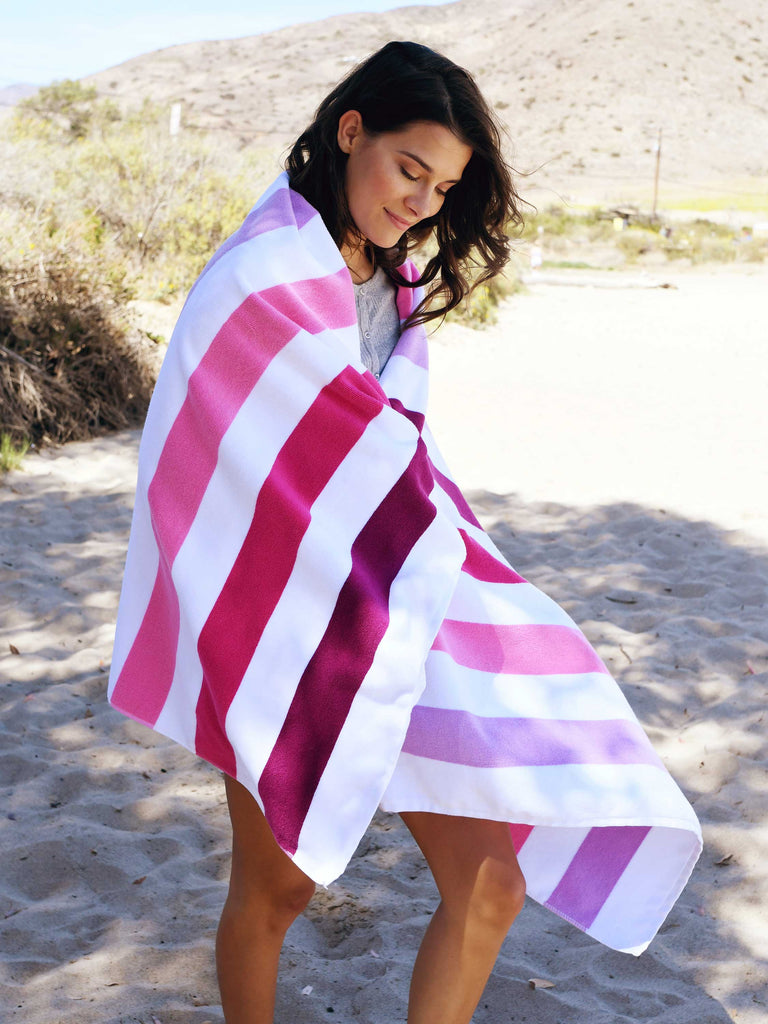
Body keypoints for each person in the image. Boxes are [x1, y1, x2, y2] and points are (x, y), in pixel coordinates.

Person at [108, 40, 701, 1024]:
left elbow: (386, 441)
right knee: (280, 890)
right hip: (284, 609)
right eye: (408, 169)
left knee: (490, 885)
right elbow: (216, 446)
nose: (421, 200)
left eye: (443, 186)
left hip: (398, 593)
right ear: (352, 133)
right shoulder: (263, 270)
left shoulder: (393, 275)